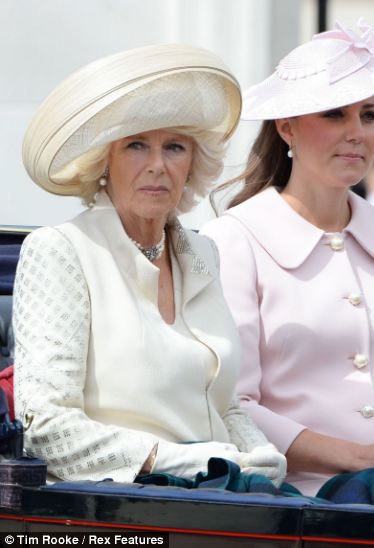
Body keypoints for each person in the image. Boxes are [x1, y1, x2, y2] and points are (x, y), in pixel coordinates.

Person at [202, 14, 374, 497]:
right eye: (333, 114)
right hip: (295, 495)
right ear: (286, 128)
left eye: (368, 113)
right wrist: (358, 456)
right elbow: (231, 403)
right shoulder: (234, 240)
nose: (357, 132)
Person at [13, 44, 286, 485]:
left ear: (193, 163)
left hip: (227, 490)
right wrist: (176, 461)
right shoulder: (60, 250)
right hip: (129, 503)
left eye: (174, 147)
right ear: (106, 161)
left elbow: (222, 404)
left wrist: (261, 452)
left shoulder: (204, 254)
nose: (158, 166)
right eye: (136, 146)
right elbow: (45, 428)